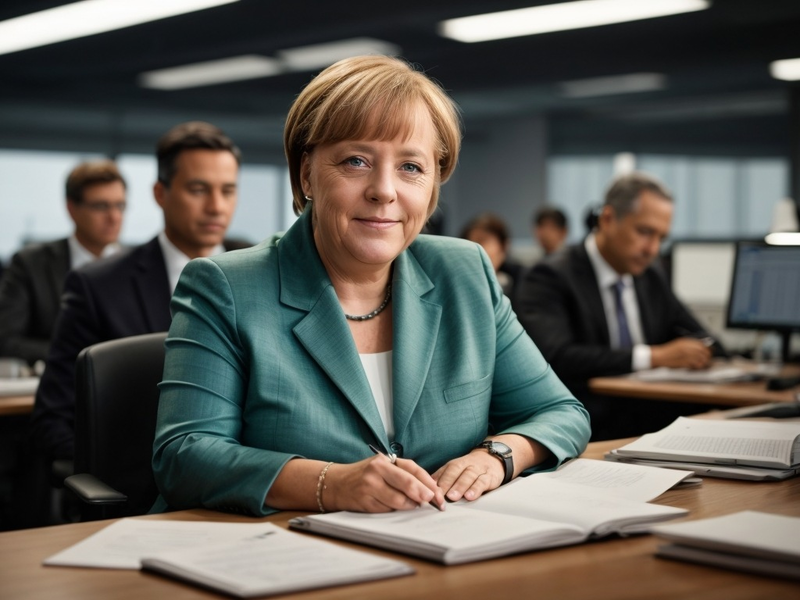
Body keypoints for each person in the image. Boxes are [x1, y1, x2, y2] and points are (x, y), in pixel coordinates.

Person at [151, 55, 590, 517]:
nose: (385, 190)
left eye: (411, 167)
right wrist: (331, 484)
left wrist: (498, 457)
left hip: (444, 551)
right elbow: (185, 454)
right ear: (306, 174)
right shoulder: (225, 286)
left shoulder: (464, 272)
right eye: (356, 161)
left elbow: (561, 412)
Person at [30, 121, 248, 462]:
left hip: (254, 481)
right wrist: (112, 484)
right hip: (143, 487)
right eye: (198, 189)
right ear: (160, 194)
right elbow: (54, 418)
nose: (216, 206)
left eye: (228, 190)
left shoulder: (266, 272)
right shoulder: (98, 286)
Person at [517, 172, 717, 440]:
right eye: (645, 232)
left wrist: (701, 351)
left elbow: (701, 334)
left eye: (662, 238)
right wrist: (654, 357)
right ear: (608, 219)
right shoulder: (551, 275)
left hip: (654, 419)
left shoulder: (650, 275)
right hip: (589, 424)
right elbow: (556, 357)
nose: (653, 249)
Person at [0, 160, 126, 365]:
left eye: (120, 206)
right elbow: (5, 340)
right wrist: (85, 356)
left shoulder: (138, 268)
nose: (114, 217)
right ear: (72, 209)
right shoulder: (30, 264)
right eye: (101, 206)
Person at [460, 212, 524, 301]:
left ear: (504, 246)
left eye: (482, 241)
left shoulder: (521, 277)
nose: (476, 249)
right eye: (470, 242)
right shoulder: (459, 281)